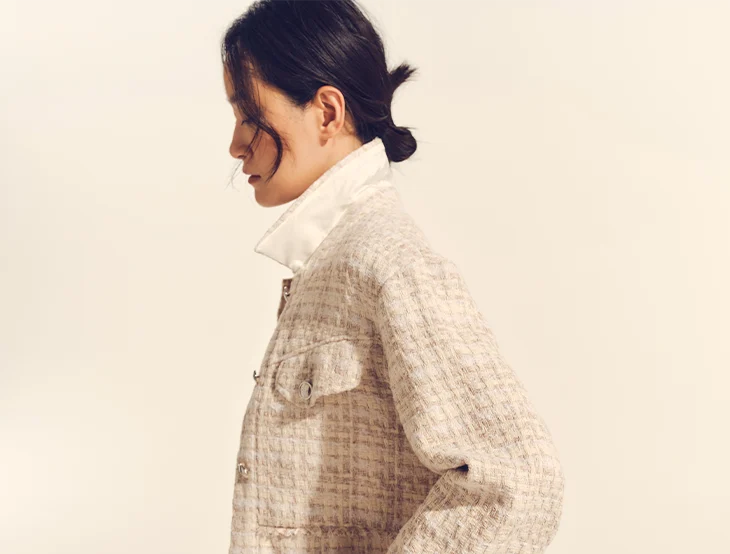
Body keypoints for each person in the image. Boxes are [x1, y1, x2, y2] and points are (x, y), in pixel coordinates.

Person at [221, 1, 565, 553]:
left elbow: (517, 481)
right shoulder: (331, 260)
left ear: (327, 113)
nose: (236, 144)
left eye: (247, 114)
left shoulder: (388, 260)